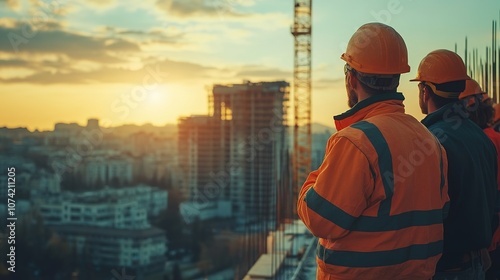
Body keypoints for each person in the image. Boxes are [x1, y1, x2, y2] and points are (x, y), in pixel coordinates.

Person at [297, 22, 449, 280]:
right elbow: (440, 211)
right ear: (396, 79)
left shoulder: (356, 141)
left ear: (351, 79)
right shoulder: (430, 140)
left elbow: (319, 219)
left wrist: (317, 176)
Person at [411, 49, 498, 280]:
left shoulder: (432, 140)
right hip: (477, 262)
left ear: (424, 90)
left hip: (447, 266)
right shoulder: (482, 137)